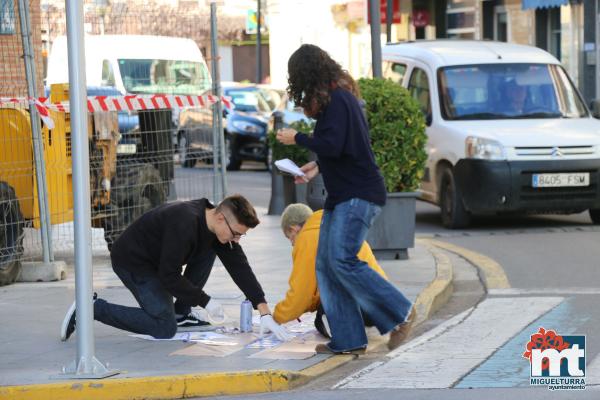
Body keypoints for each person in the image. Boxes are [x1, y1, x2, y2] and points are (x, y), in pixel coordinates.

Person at [276, 44, 415, 355]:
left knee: (342, 260)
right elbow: (344, 147)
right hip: (343, 196)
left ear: (306, 75)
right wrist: (316, 167)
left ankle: (400, 313)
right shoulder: (338, 99)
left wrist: (296, 138)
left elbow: (334, 143)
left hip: (358, 195)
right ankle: (349, 338)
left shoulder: (339, 99)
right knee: (325, 265)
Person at [60, 195, 291, 342]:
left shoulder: (216, 227)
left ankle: (181, 312)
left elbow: (241, 269)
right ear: (221, 218)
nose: (238, 239)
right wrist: (205, 300)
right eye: (237, 233)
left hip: (159, 263)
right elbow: (169, 276)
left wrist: (265, 313)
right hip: (133, 262)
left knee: (214, 249)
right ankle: (91, 308)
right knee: (164, 328)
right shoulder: (184, 222)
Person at [273, 203, 387, 338]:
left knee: (320, 318)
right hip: (383, 304)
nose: (292, 243)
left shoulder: (307, 237)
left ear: (294, 229)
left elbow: (301, 294)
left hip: (358, 303)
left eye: (290, 237)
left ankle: (344, 331)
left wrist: (276, 317)